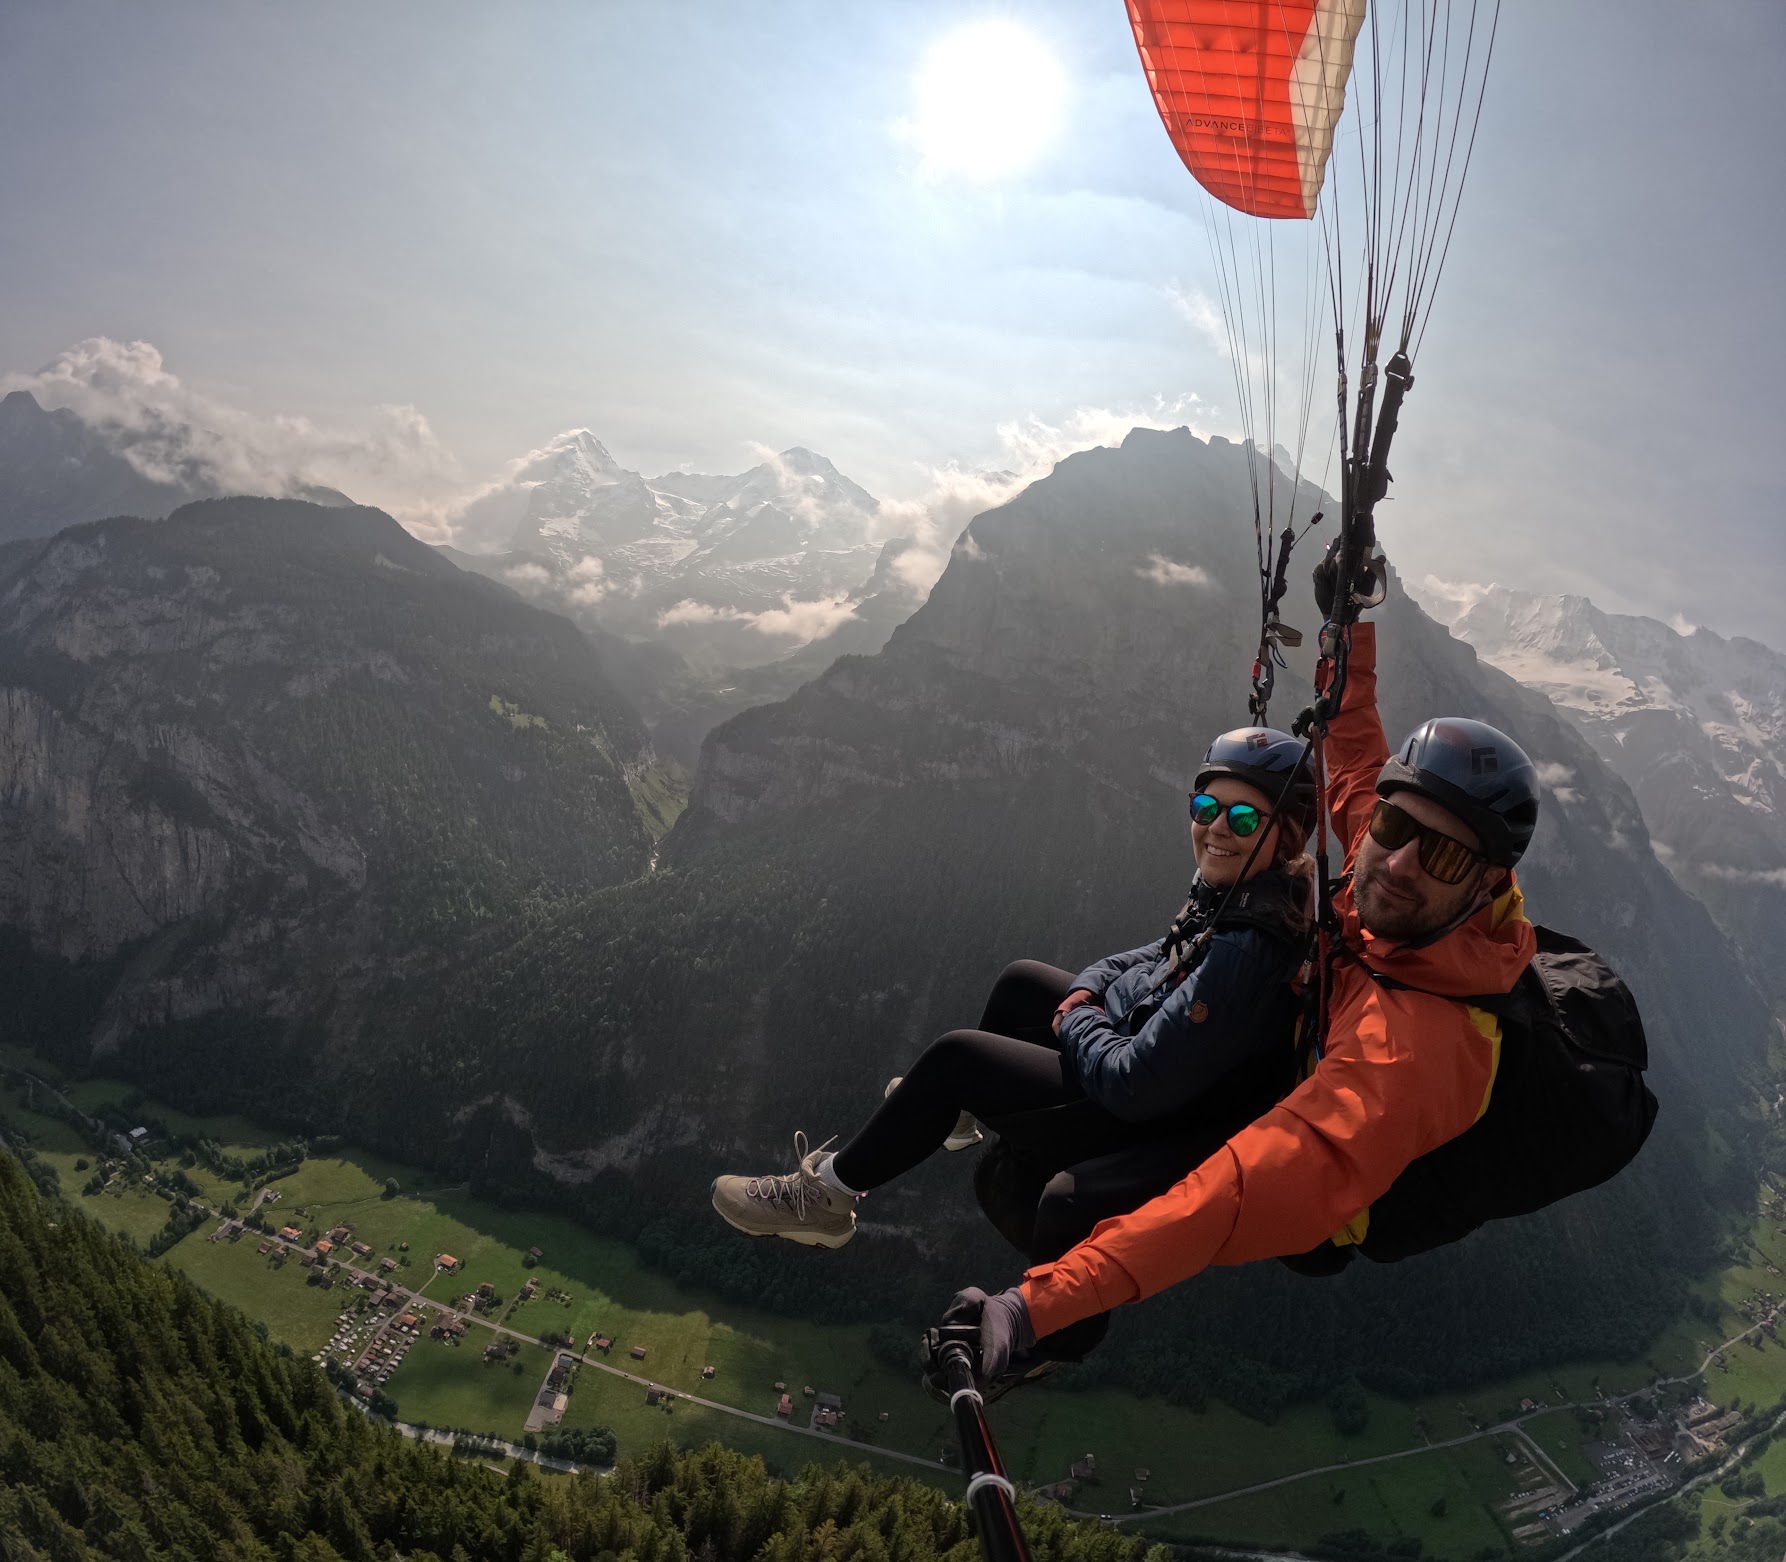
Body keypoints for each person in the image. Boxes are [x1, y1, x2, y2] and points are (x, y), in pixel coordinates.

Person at [936, 591, 1546, 1395]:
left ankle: (1055, 1344)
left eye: (1442, 858)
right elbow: (1356, 746)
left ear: (1487, 882)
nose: (1397, 864)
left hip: (1311, 1182)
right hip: (1274, 1065)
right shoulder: (1394, 843)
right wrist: (1349, 624)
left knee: (1058, 1203)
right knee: (1031, 1030)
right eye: (1395, 833)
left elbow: (1235, 1192)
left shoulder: (1413, 1047)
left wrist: (1034, 1308)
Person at [709, 727, 1321, 1255]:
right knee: (1021, 980)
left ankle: (826, 1199)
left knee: (956, 1059)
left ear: (1287, 835)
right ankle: (953, 1115)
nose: (1216, 828)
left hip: (1149, 1116)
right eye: (1205, 808)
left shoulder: (1251, 944)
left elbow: (1137, 1084)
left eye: (1243, 818)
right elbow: (1164, 954)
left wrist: (1078, 1021)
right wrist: (1087, 990)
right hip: (1161, 1061)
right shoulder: (1249, 889)